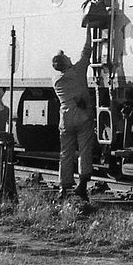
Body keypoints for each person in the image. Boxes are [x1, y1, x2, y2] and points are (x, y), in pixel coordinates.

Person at [52, 28, 94, 201]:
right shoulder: (78, 71)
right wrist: (89, 30)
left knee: (65, 153)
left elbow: (61, 63)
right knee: (84, 151)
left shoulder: (56, 80)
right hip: (82, 117)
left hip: (65, 119)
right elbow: (87, 50)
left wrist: (60, 57)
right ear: (67, 62)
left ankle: (63, 187)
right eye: (68, 57)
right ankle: (82, 186)